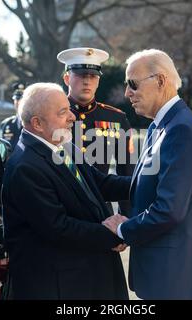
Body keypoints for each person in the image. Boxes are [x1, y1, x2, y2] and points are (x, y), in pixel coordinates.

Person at [102, 49, 192, 300]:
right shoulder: (160, 126)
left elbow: (169, 209)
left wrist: (125, 229)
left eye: (133, 84)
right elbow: (143, 186)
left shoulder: (180, 130)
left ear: (160, 81)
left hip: (175, 275)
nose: (127, 93)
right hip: (164, 271)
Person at [2, 82, 130, 300]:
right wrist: (113, 233)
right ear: (37, 123)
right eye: (63, 112)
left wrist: (148, 181)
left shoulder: (63, 145)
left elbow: (99, 183)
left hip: (85, 275)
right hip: (60, 287)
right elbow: (58, 228)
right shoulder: (26, 166)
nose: (72, 116)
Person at [57, 47, 135, 215]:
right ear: (66, 78)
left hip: (100, 213)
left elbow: (127, 172)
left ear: (98, 81)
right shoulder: (52, 115)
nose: (87, 82)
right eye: (80, 75)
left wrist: (125, 220)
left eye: (92, 76)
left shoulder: (116, 119)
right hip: (59, 211)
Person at [0, 82, 25, 148]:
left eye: (22, 99)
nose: (19, 102)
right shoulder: (6, 124)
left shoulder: (34, 124)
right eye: (17, 99)